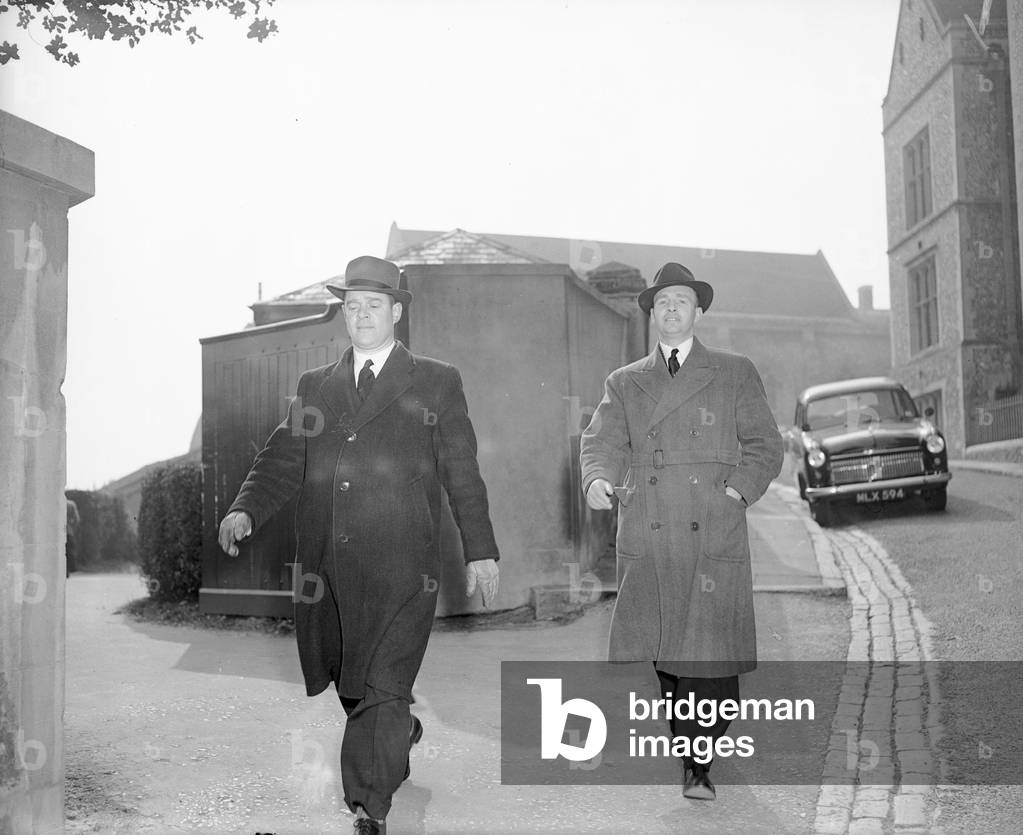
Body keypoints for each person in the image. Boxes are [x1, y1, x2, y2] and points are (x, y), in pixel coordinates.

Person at [218, 255, 500, 834]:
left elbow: (462, 470)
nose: (362, 316)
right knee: (355, 683)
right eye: (352, 306)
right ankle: (400, 731)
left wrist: (480, 549)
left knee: (381, 683)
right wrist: (246, 506)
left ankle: (369, 806)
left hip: (404, 567)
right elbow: (285, 455)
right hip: (330, 564)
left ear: (397, 312)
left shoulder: (437, 381)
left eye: (373, 305)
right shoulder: (317, 385)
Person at [579, 262, 782, 801]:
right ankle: (694, 758)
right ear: (652, 313)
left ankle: (700, 752)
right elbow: (601, 442)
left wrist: (735, 493)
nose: (671, 309)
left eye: (682, 302)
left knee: (710, 656)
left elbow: (766, 445)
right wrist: (597, 479)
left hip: (711, 527)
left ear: (698, 312)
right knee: (665, 653)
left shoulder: (735, 371)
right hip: (651, 529)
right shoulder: (623, 382)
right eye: (662, 301)